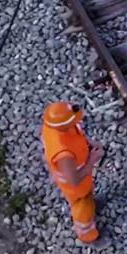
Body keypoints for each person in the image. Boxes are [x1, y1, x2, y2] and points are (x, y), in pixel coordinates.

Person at [40, 101, 103, 244]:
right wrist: (92, 160)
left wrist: (89, 143)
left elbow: (76, 133)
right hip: (77, 189)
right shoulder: (63, 153)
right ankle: (88, 236)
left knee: (89, 196)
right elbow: (74, 180)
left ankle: (92, 204)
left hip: (84, 181)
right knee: (83, 210)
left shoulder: (57, 126)